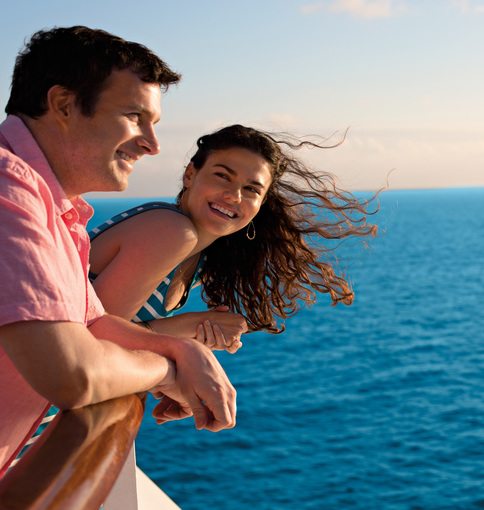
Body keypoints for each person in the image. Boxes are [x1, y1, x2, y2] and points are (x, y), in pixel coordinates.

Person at [0, 26, 236, 477]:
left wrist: (182, 351)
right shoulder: (8, 189)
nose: (152, 144)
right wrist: (166, 370)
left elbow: (92, 325)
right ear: (64, 105)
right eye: (134, 116)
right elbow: (75, 374)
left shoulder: (56, 207)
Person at [87, 124, 379, 357]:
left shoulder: (201, 260)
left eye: (251, 189)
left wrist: (191, 343)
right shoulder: (170, 230)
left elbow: (117, 342)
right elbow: (91, 341)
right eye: (222, 176)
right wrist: (188, 328)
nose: (233, 196)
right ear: (190, 174)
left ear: (261, 205)